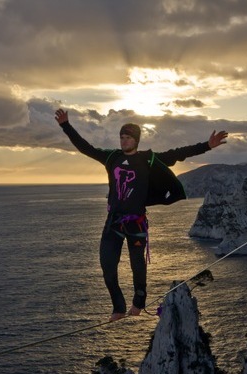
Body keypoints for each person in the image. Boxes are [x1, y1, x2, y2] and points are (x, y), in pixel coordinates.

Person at [55, 108, 228, 321]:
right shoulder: (111, 157)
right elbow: (85, 147)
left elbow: (178, 153)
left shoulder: (148, 159)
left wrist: (206, 146)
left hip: (136, 223)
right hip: (114, 222)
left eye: (127, 137)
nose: (123, 141)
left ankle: (138, 304)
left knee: (138, 266)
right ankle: (118, 308)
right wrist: (66, 125)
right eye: (121, 137)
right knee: (107, 266)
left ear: (136, 139)